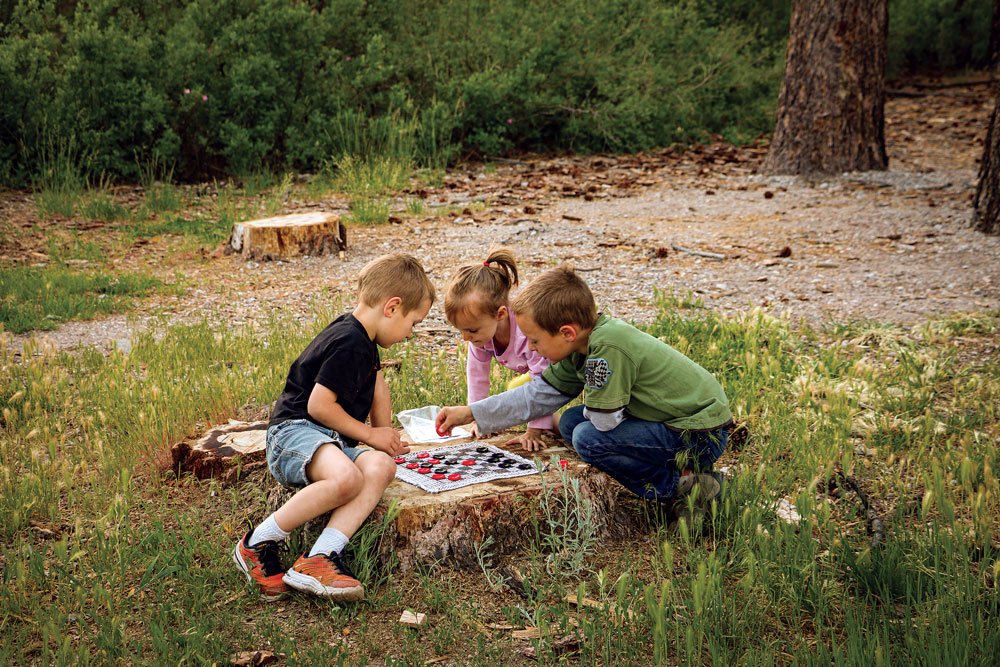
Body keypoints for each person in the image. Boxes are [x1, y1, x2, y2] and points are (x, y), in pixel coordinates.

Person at [435, 266, 732, 523]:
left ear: (566, 332)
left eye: (536, 340)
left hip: (699, 433)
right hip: (671, 421)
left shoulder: (606, 350)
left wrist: (591, 410)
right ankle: (679, 470)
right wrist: (472, 412)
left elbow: (603, 422)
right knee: (570, 423)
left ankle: (683, 485)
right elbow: (538, 396)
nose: (533, 349)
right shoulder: (580, 347)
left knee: (587, 438)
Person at [233, 253, 434, 602]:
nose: (410, 333)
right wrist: (370, 434)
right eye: (413, 322)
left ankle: (320, 555)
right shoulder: (348, 342)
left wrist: (382, 438)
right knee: (347, 478)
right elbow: (318, 406)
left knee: (379, 466)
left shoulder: (365, 342)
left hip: (327, 440)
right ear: (392, 307)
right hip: (294, 433)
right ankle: (256, 543)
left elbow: (377, 386)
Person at [443, 248, 555, 451]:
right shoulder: (479, 338)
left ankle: (553, 422)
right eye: (460, 330)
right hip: (536, 375)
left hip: (566, 371)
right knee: (518, 392)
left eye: (471, 330)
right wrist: (479, 417)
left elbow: (542, 383)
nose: (466, 338)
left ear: (501, 314)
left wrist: (534, 430)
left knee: (540, 403)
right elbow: (477, 376)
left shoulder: (528, 334)